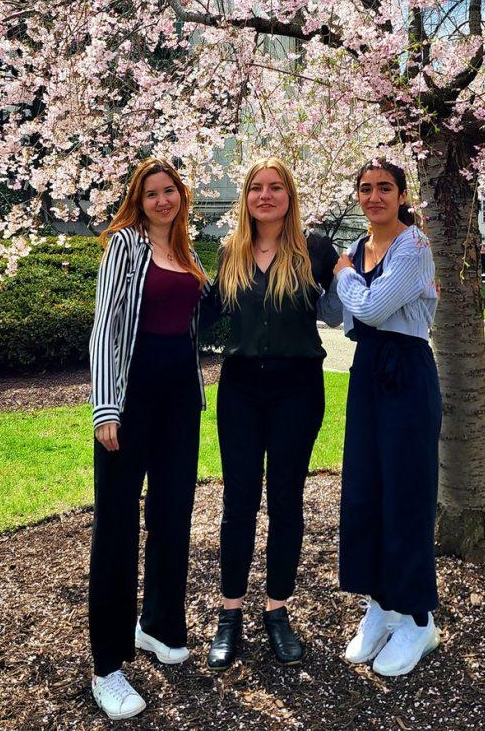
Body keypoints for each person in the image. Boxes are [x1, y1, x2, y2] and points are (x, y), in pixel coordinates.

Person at [204, 157, 342, 670]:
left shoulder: (316, 250)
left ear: (290, 195)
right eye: (257, 188)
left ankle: (277, 611)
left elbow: (359, 292)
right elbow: (202, 313)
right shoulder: (229, 252)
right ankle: (229, 615)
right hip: (239, 390)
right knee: (238, 503)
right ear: (246, 197)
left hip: (297, 390)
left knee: (287, 501)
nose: (266, 195)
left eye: (276, 187)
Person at [88, 158, 210, 720]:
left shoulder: (187, 254)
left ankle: (159, 625)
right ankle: (107, 666)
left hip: (180, 403)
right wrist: (106, 406)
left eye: (171, 191)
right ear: (138, 199)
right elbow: (107, 326)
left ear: (182, 197)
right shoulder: (126, 246)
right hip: (130, 400)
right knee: (116, 524)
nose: (163, 200)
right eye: (152, 193)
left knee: (171, 515)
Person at [332, 157, 442, 678]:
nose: (374, 196)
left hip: (408, 372)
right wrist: (355, 286)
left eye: (384, 188)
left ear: (402, 195)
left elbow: (371, 310)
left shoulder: (412, 247)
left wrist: (347, 280)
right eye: (365, 188)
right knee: (365, 489)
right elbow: (346, 320)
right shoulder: (358, 249)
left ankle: (418, 618)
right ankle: (381, 602)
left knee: (406, 491)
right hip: (368, 370)